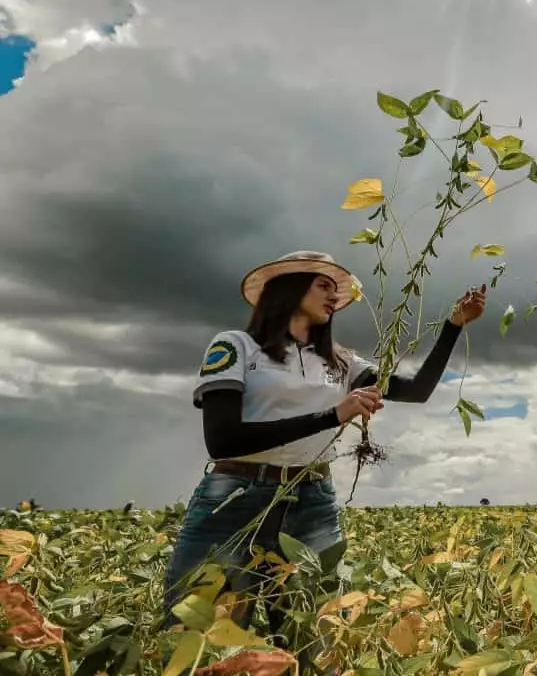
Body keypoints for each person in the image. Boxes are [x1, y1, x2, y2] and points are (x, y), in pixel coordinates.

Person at [159, 250, 485, 642]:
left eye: (337, 290)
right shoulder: (235, 346)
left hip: (310, 503)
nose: (335, 297)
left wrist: (454, 324)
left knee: (313, 639)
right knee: (202, 635)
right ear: (289, 287)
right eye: (324, 286)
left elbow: (416, 390)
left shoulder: (341, 361)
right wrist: (333, 415)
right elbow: (223, 440)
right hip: (235, 500)